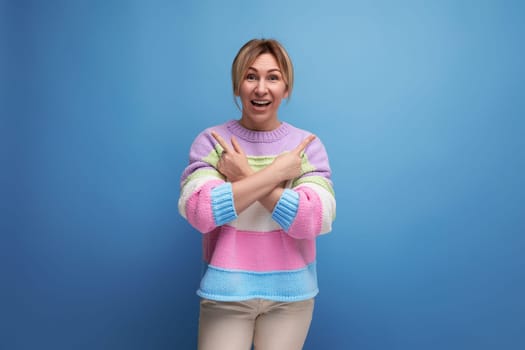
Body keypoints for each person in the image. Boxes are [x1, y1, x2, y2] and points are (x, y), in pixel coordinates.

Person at [178, 38, 336, 350]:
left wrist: (244, 177)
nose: (261, 88)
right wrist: (278, 173)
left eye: (272, 77)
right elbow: (201, 212)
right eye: (251, 76)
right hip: (227, 293)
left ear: (286, 87)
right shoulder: (213, 142)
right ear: (238, 85)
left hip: (290, 298)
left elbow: (311, 220)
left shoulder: (307, 147)